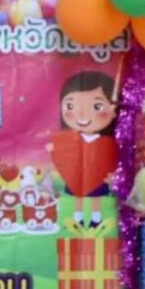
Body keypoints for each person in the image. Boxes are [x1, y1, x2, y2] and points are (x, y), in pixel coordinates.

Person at [47, 71, 118, 230]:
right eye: (70, 106)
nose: (83, 115)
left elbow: (110, 160)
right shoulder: (69, 140)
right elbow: (63, 157)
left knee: (96, 198)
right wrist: (54, 151)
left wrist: (110, 175)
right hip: (76, 177)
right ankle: (78, 219)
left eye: (97, 106)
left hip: (97, 177)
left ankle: (95, 220)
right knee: (78, 197)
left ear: (113, 109)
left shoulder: (107, 142)